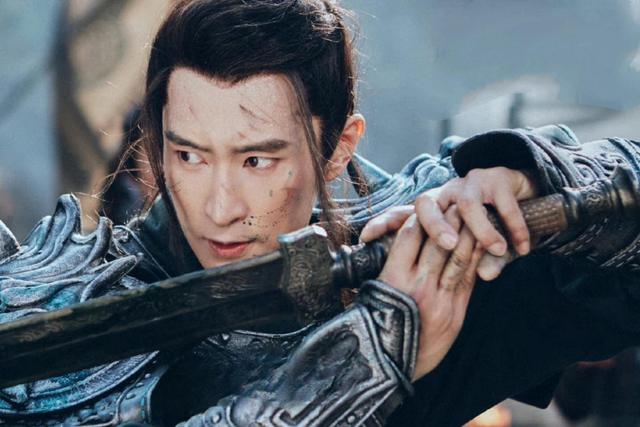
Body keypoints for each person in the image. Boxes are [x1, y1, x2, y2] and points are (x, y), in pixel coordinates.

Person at [1, 1, 640, 426]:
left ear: (338, 149)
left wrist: (535, 177)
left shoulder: (416, 255)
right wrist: (377, 351)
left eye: (257, 160)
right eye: (189, 156)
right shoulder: (75, 312)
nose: (219, 208)